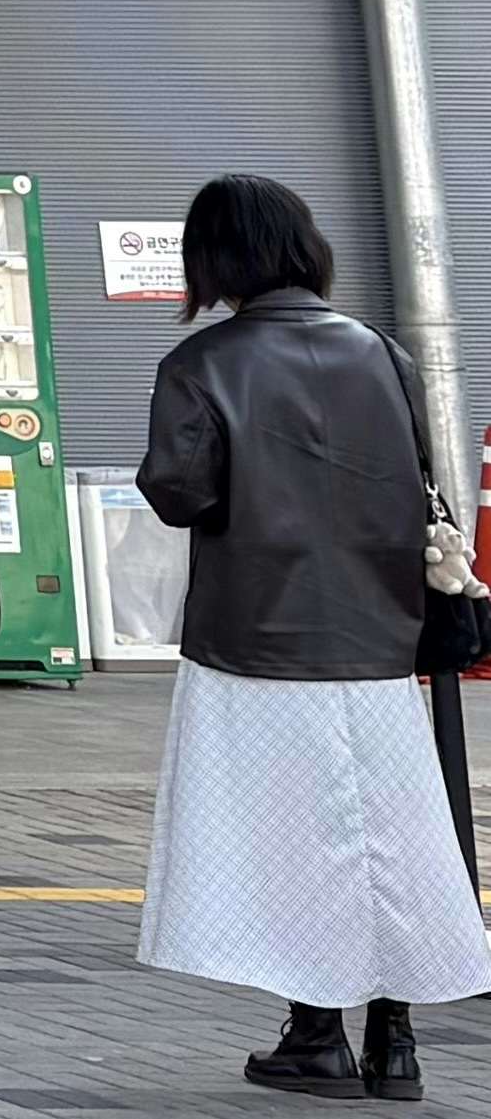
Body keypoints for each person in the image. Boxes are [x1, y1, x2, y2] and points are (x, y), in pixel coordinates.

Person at [135, 171, 491, 1101]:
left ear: (213, 259)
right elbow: (419, 478)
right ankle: (395, 1042)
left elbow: (180, 491)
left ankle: (316, 1032)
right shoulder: (382, 352)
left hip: (255, 636)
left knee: (292, 837)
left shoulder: (202, 362)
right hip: (380, 635)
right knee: (392, 831)